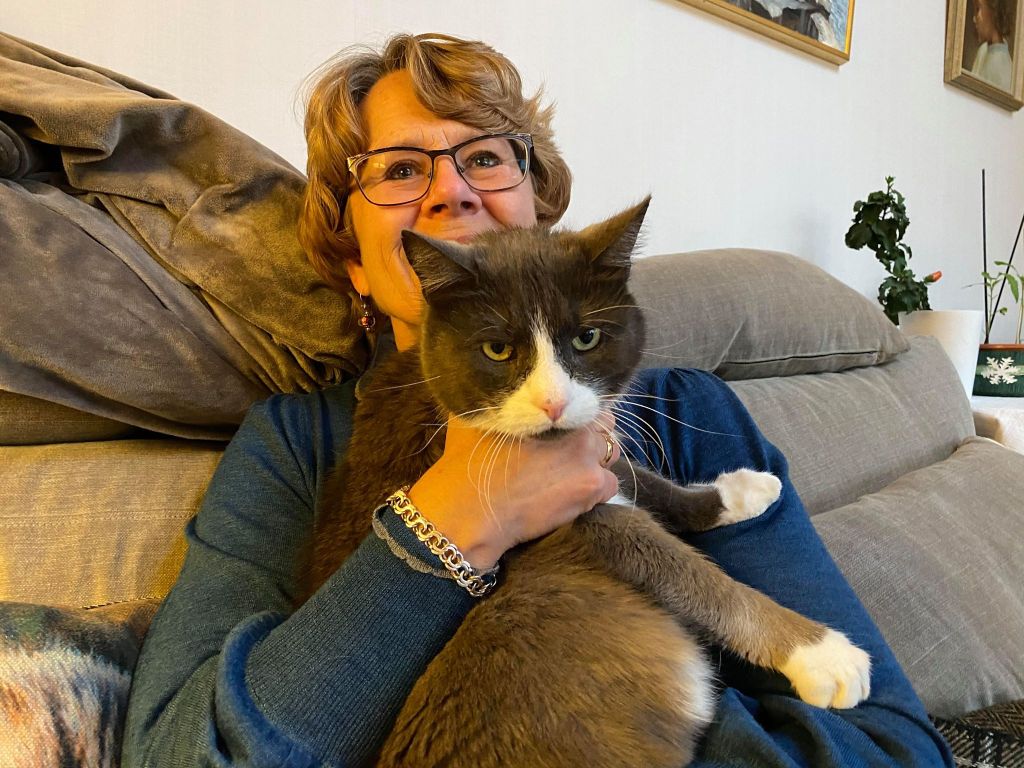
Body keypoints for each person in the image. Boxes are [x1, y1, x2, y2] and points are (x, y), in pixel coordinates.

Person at [123, 33, 953, 767]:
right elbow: (180, 755)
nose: (452, 192)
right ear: (352, 261)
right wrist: (446, 529)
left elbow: (891, 749)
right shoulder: (295, 442)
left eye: (485, 157)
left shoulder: (683, 412)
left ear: (540, 207)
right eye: (402, 169)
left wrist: (615, 711)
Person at [969, 0, 1014, 91]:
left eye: (978, 9)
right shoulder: (983, 50)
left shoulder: (1004, 71)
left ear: (993, 13)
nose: (974, 19)